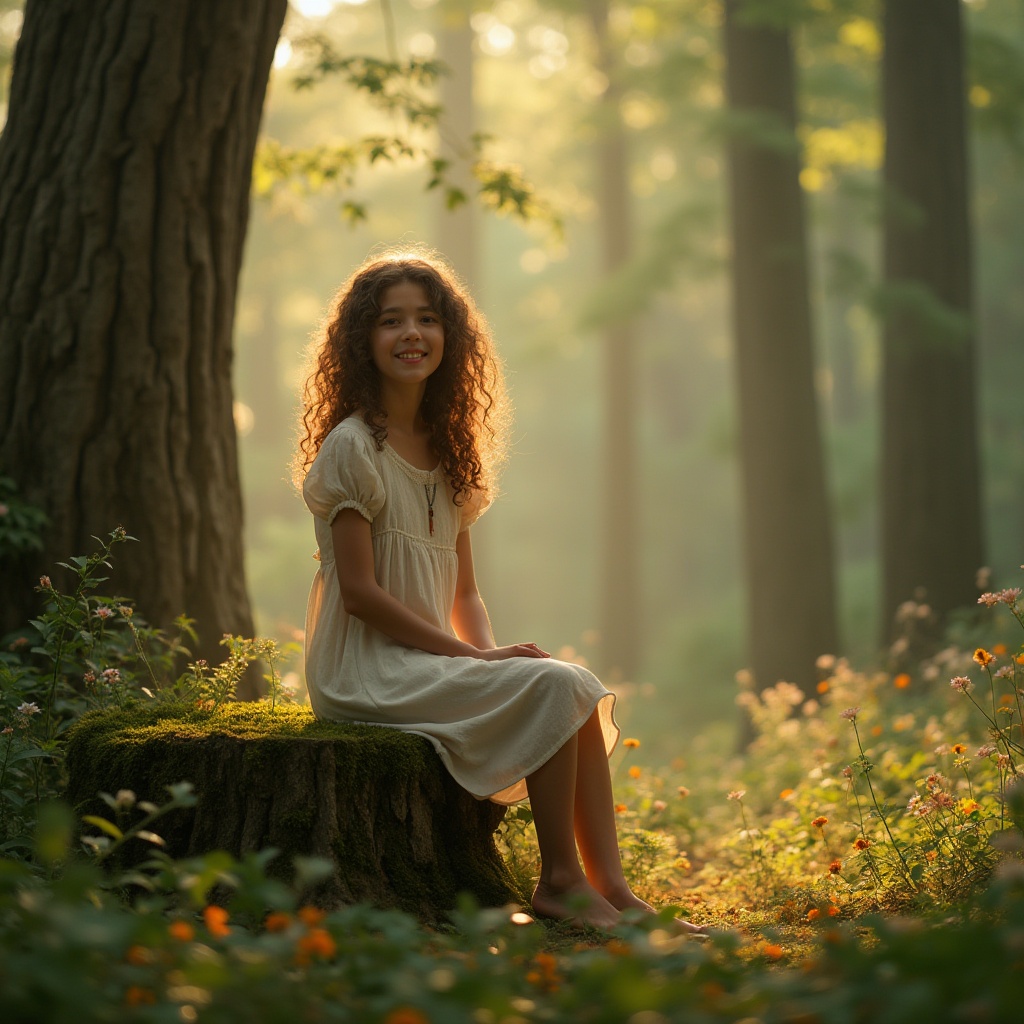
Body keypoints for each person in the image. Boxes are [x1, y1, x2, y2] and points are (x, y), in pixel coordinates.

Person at [294, 249, 699, 933]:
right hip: (362, 668)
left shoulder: (450, 452)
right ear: (363, 340)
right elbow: (359, 593)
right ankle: (561, 882)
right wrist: (471, 661)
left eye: (427, 319)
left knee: (563, 680)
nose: (411, 334)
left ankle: (615, 890)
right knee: (549, 684)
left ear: (451, 338)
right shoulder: (353, 448)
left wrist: (486, 653)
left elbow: (468, 594)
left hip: (427, 660)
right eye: (391, 321)